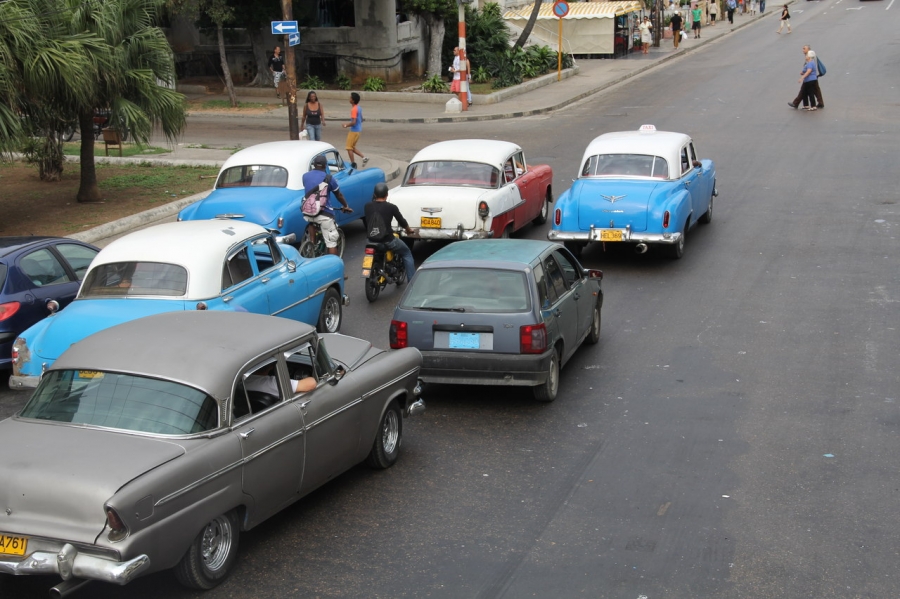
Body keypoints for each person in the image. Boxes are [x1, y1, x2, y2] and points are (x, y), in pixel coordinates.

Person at [364, 182, 417, 284]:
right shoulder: (391, 207)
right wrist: (408, 230)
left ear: (374, 194)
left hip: (370, 241)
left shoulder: (367, 206)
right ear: (387, 195)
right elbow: (402, 221)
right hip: (387, 241)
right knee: (407, 253)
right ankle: (412, 283)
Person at [302, 154, 352, 255]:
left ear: (314, 165)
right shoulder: (329, 178)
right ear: (325, 166)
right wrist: (345, 206)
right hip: (324, 214)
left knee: (312, 221)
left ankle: (312, 244)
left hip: (308, 212)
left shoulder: (305, 176)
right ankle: (334, 265)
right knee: (331, 243)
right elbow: (339, 195)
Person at [245, 364, 317, 396]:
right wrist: (311, 377)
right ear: (272, 366)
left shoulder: (243, 382)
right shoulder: (273, 383)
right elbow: (311, 384)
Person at [342, 92, 367, 168]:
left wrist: (346, 125)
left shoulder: (353, 109)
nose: (349, 99)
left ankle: (353, 164)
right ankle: (364, 157)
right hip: (358, 130)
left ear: (353, 100)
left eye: (350, 98)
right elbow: (362, 118)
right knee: (352, 147)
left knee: (349, 148)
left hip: (354, 131)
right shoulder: (359, 107)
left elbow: (353, 122)